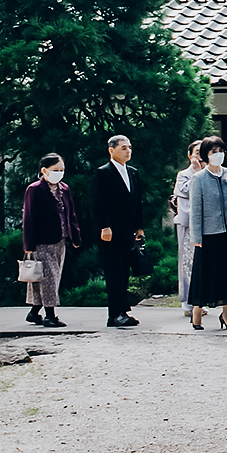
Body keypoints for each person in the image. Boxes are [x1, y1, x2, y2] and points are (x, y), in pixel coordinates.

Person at [181, 137, 227, 331]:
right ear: (206, 155)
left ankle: (226, 315)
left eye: (221, 150)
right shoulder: (198, 179)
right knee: (204, 275)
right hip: (208, 235)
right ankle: (197, 313)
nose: (218, 154)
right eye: (213, 151)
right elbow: (195, 210)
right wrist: (196, 237)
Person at [88, 134, 146, 328]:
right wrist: (104, 226)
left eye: (129, 147)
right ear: (111, 150)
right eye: (123, 148)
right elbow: (98, 203)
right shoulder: (103, 172)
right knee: (113, 272)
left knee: (124, 272)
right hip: (109, 231)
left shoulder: (133, 172)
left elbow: (137, 202)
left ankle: (119, 313)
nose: (128, 151)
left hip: (127, 231)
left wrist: (139, 226)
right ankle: (116, 313)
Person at [20, 152, 80, 328]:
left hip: (60, 240)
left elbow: (71, 215)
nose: (59, 173)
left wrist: (75, 236)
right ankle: (50, 315)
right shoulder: (35, 189)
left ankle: (34, 312)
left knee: (50, 277)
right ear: (44, 171)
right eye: (55, 169)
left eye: (61, 169)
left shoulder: (64, 189)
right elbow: (29, 218)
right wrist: (28, 245)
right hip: (42, 241)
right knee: (48, 278)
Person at [170, 141, 205, 304]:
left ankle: (201, 299)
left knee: (203, 264)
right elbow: (185, 191)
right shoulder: (184, 174)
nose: (200, 156)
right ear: (189, 155)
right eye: (197, 152)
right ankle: (188, 301)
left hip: (207, 224)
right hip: (188, 224)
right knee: (187, 262)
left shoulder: (212, 173)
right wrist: (197, 174)